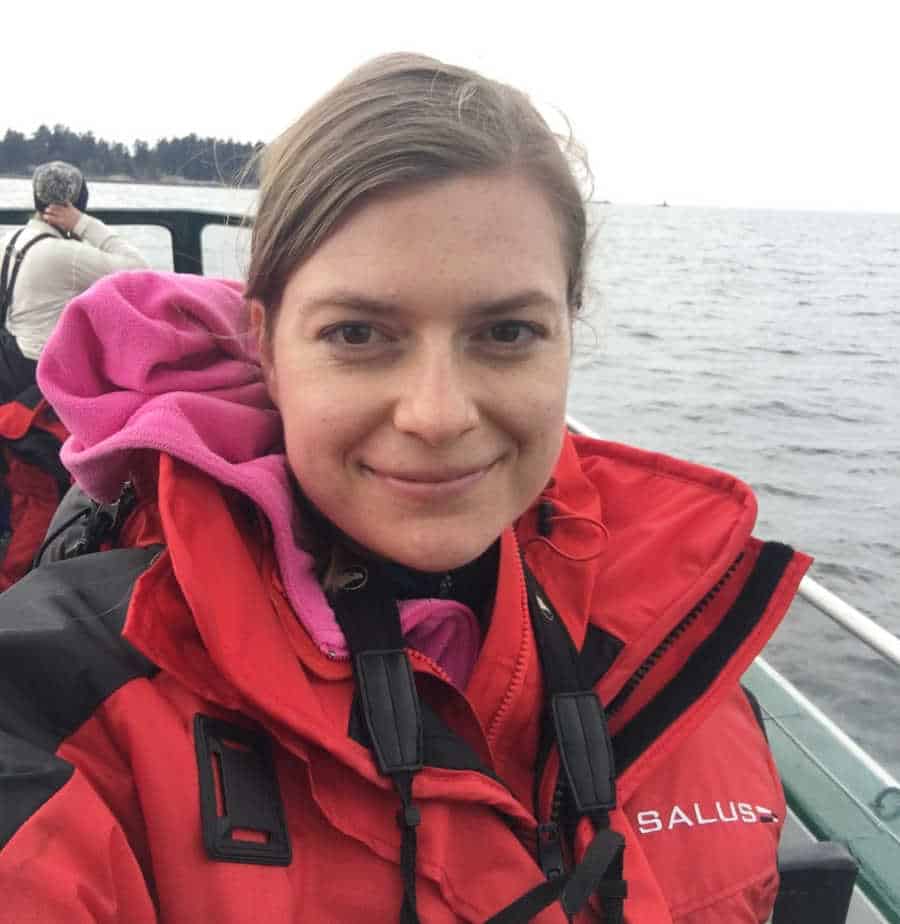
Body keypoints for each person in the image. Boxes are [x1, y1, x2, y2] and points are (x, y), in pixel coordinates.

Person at [0, 55, 810, 923]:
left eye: (506, 331)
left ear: (568, 332)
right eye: (358, 333)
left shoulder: (681, 653)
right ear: (266, 347)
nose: (436, 414)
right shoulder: (69, 705)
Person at [0, 160, 148, 400]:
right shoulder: (65, 254)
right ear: (77, 204)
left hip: (11, 361)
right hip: (43, 371)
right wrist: (83, 223)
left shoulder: (10, 239)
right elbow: (138, 270)